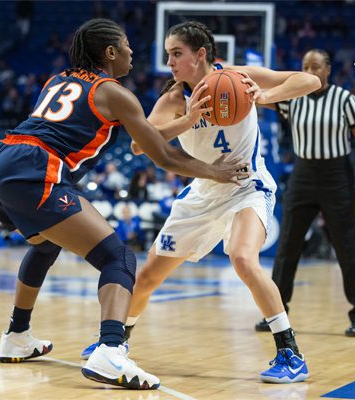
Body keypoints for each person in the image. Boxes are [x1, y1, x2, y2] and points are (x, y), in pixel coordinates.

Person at [0, 18, 247, 391]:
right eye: (127, 45)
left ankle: (17, 335)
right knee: (118, 257)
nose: (133, 52)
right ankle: (111, 349)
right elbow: (163, 157)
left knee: (45, 243)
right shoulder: (115, 93)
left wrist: (186, 120)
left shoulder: (59, 79)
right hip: (33, 167)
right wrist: (214, 172)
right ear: (111, 52)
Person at [81, 20, 321, 384]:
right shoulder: (175, 99)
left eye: (177, 54)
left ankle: (290, 353)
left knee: (242, 258)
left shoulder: (238, 77)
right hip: (202, 192)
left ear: (201, 54)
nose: (170, 62)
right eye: (167, 55)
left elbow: (310, 81)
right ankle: (116, 344)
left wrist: (266, 96)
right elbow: (138, 143)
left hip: (247, 185)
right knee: (145, 278)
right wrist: (188, 119)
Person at [254, 49, 355, 337]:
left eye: (316, 66)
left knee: (346, 246)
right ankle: (276, 313)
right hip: (303, 175)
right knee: (288, 246)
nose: (310, 70)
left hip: (337, 176)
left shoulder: (345, 99)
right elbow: (261, 96)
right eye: (305, 65)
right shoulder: (292, 98)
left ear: (328, 70)